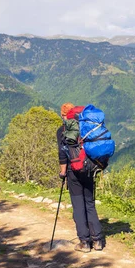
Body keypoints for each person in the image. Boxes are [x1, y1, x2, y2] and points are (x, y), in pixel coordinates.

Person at [57, 103, 104, 252]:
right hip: (89, 169)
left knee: (78, 206)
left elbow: (62, 154)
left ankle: (84, 242)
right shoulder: (85, 127)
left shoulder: (62, 130)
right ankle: (97, 241)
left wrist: (62, 172)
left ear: (63, 114)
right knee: (89, 204)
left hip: (73, 172)